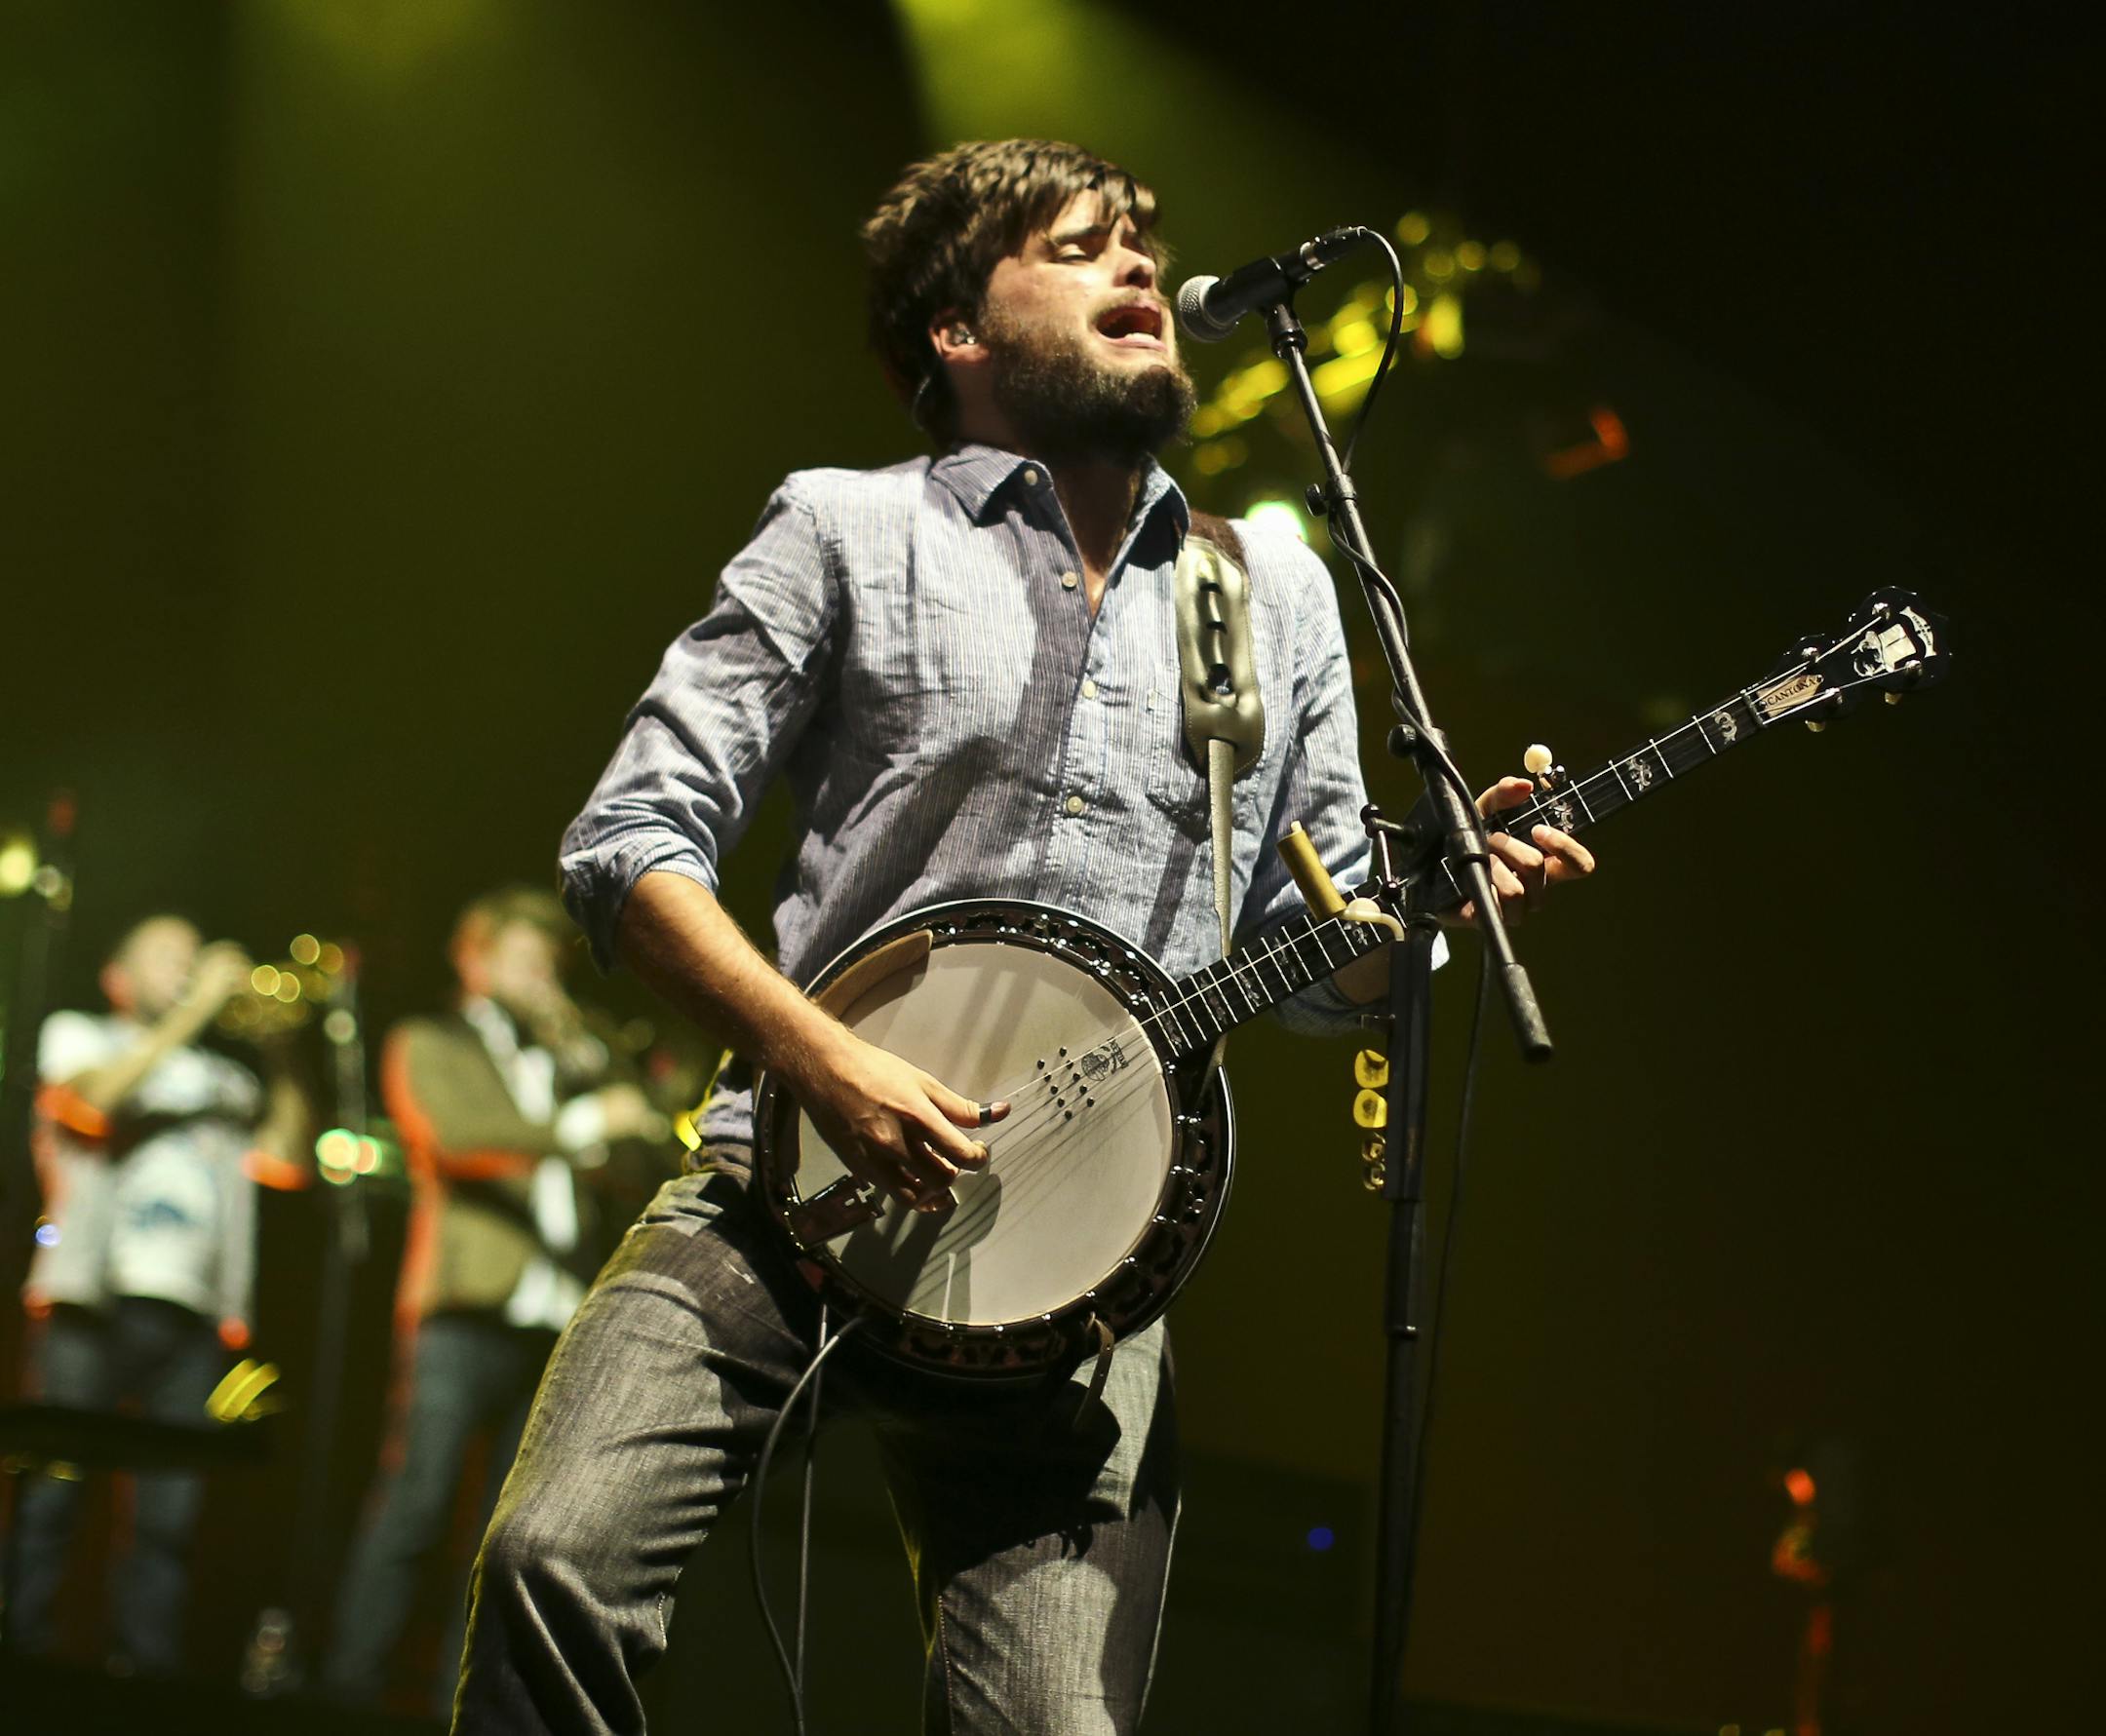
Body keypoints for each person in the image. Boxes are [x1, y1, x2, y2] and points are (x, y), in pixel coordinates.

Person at [456, 139, 1595, 1734]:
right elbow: (626, 845)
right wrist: (826, 1060)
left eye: (1141, 241)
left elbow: (1329, 954)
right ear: (956, 331)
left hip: (1078, 1262)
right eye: (1075, 247)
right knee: (552, 1554)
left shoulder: (1265, 584)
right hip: (791, 1181)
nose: (1136, 265)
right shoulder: (848, 529)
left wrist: (1435, 909)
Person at [325, 885, 667, 1713]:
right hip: (462, 1311)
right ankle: (342, 1693)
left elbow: (648, 1136)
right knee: (418, 1504)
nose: (542, 973)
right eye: (522, 957)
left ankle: (463, 1708)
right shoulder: (429, 1041)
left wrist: (588, 1057)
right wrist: (587, 1123)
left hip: (554, 1320)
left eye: (548, 960)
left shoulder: (561, 1060)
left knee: (503, 1536)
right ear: (473, 959)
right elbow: (463, 1140)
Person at [9, 914, 311, 1674]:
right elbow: (95, 1104)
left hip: (198, 1312)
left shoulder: (224, 1079)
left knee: (170, 1514)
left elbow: (287, 1158)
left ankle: (143, 1675)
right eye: (167, 956)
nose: (188, 966)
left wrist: (279, 1053)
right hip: (92, 1297)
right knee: (55, 1492)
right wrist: (197, 1008)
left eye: (194, 955)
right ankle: (21, 1658)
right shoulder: (79, 1034)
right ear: (117, 974)